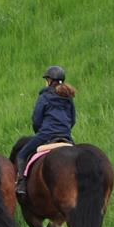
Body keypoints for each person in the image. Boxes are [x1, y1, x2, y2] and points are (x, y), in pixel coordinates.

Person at [15, 65, 76, 201]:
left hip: (46, 135)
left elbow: (36, 120)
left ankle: (21, 185)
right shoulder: (68, 98)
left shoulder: (44, 97)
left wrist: (40, 133)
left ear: (49, 81)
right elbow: (72, 120)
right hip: (66, 137)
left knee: (22, 154)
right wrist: (64, 130)